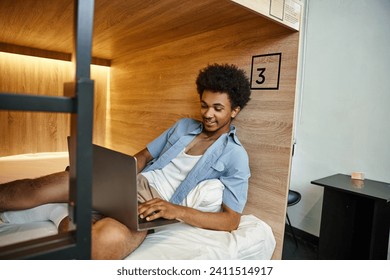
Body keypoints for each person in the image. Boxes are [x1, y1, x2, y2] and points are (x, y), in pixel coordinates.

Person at [0, 63, 252, 259]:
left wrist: (176, 210)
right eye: (204, 105)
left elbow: (231, 220)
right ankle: (73, 206)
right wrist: (114, 173)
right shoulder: (184, 126)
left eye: (217, 108)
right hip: (125, 183)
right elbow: (143, 156)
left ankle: (63, 214)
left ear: (235, 110)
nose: (208, 114)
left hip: (149, 207)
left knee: (99, 245)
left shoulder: (235, 155)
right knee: (37, 188)